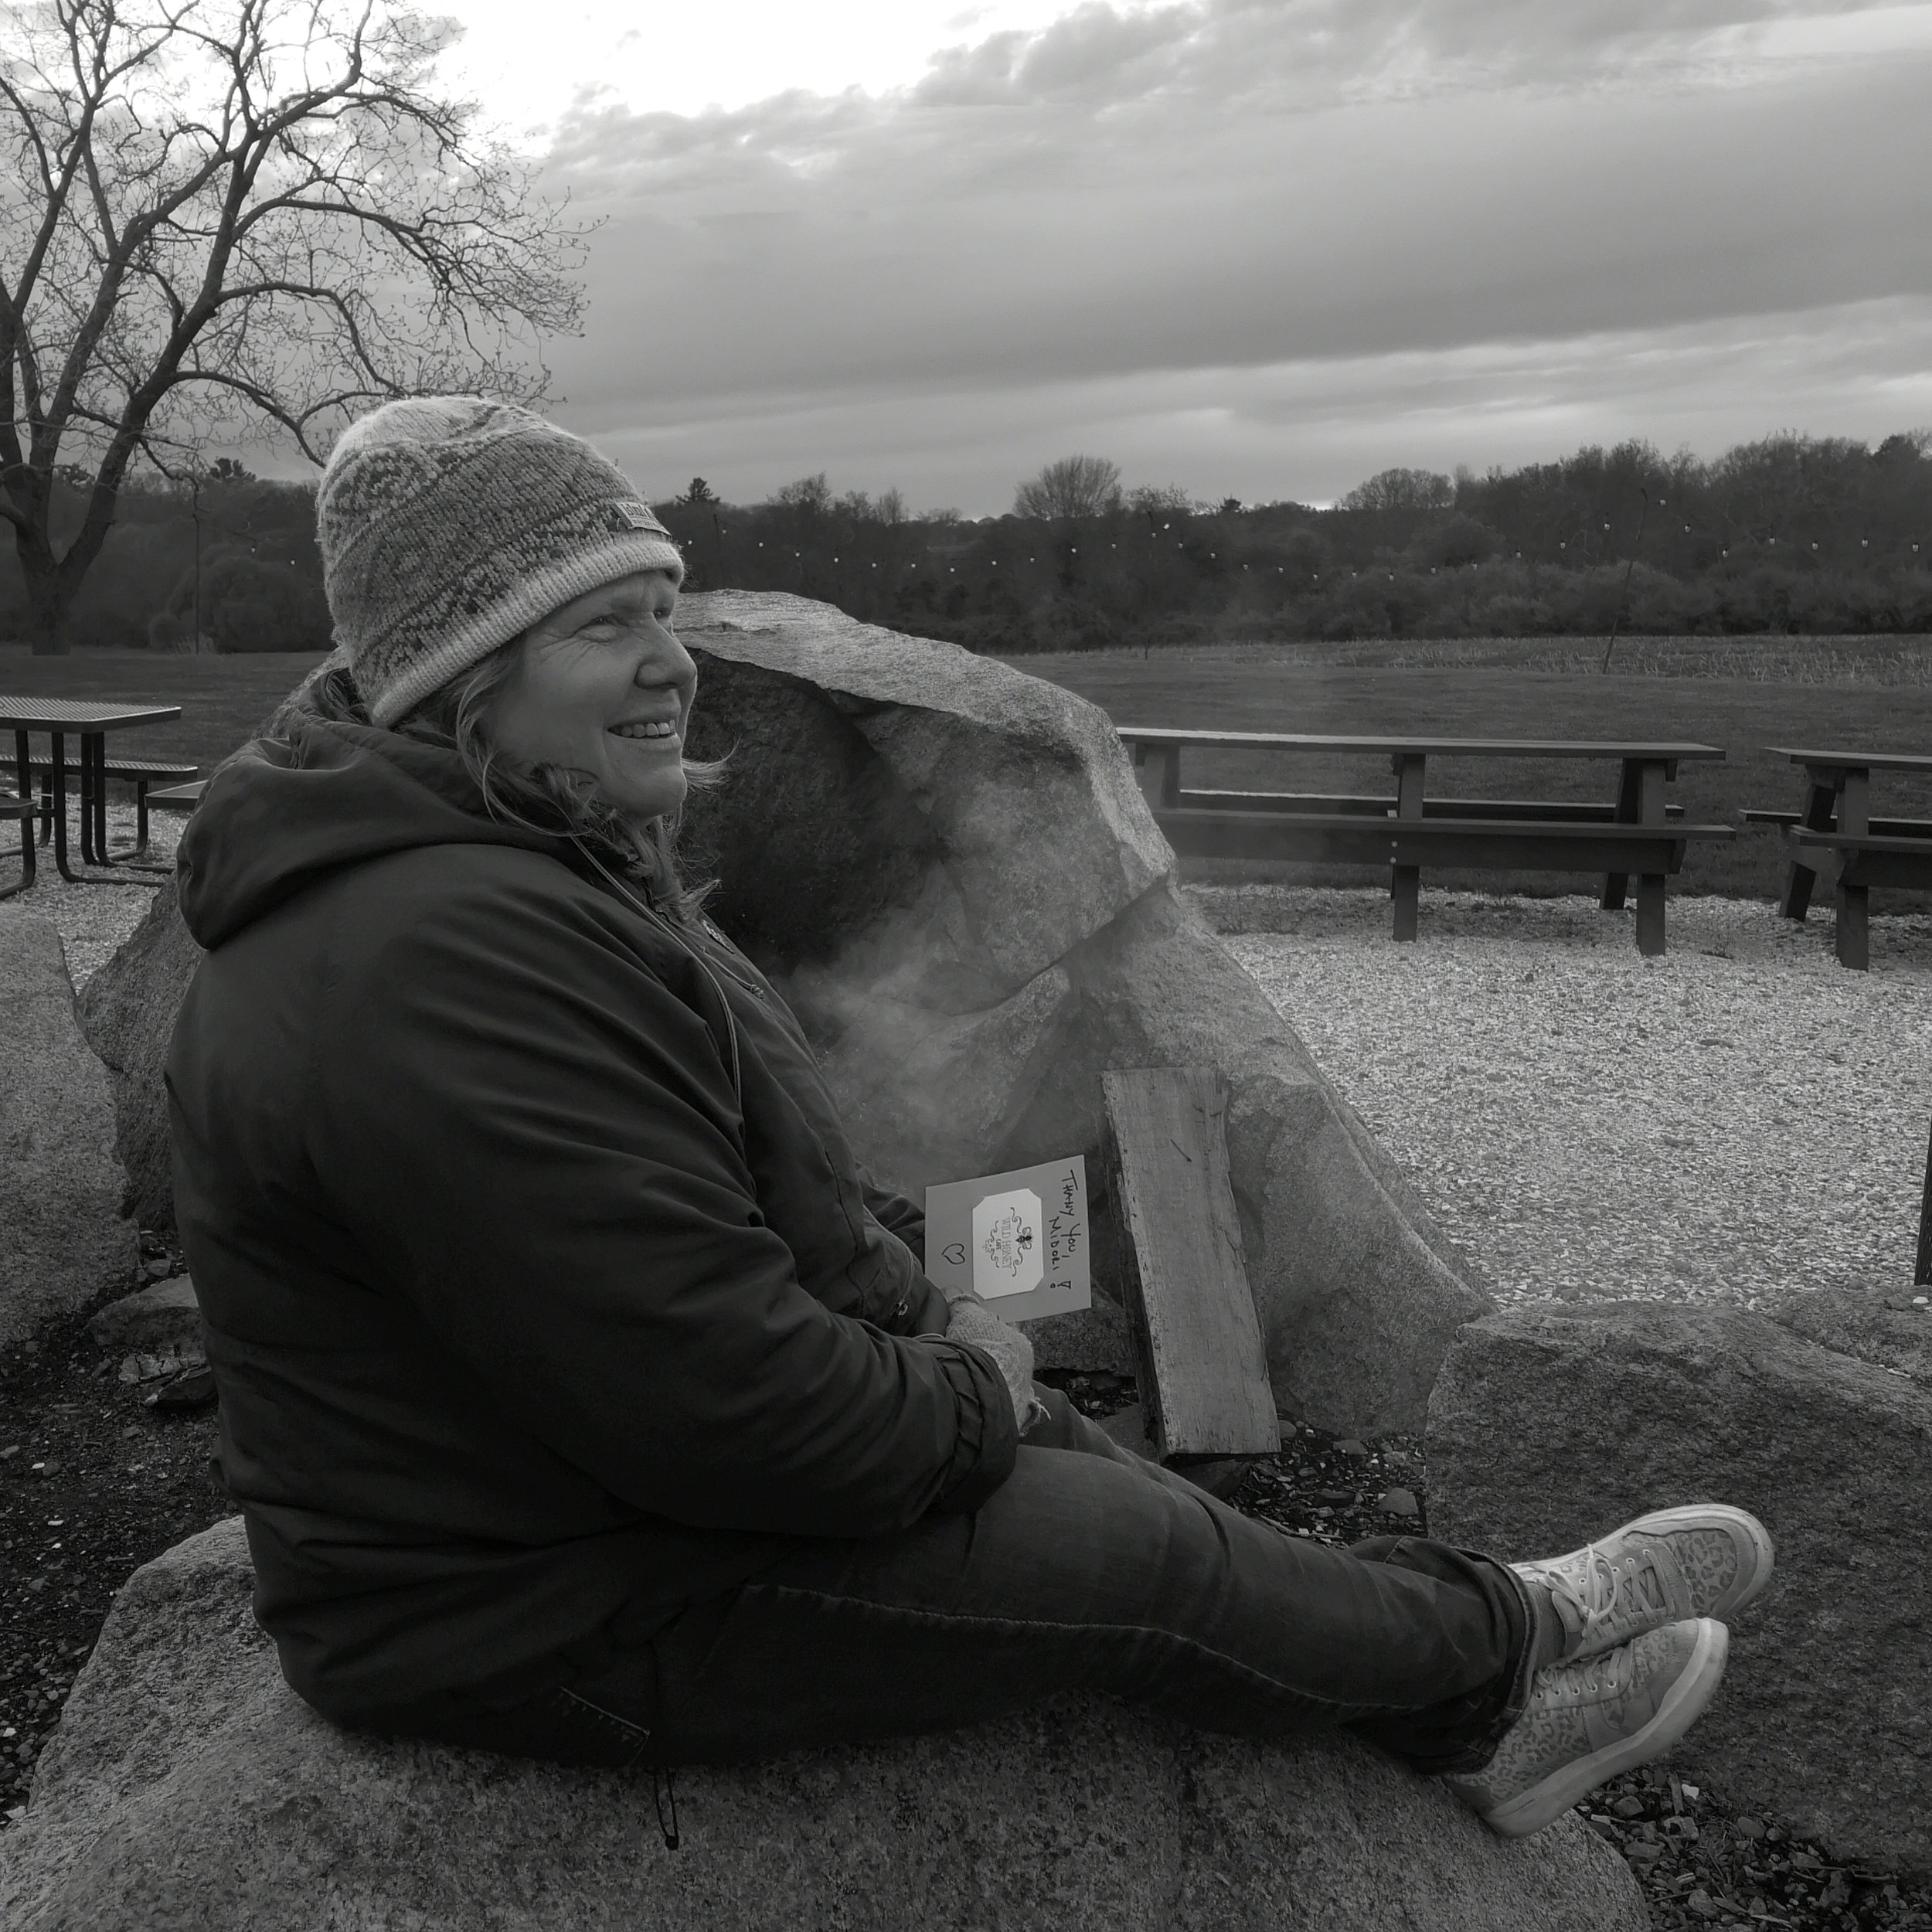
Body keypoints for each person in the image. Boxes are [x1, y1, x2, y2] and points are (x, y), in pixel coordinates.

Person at [167, 396, 1774, 1845]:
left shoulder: (513, 866)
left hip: (581, 1499)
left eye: (665, 607)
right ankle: (1498, 1663)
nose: (674, 659)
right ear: (464, 677)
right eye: (606, 626)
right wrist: (961, 1389)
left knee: (1086, 1463)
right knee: (1126, 1555)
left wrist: (930, 1327)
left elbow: (738, 1204)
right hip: (527, 1601)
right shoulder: (433, 968)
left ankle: (1462, 1659)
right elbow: (735, 1413)